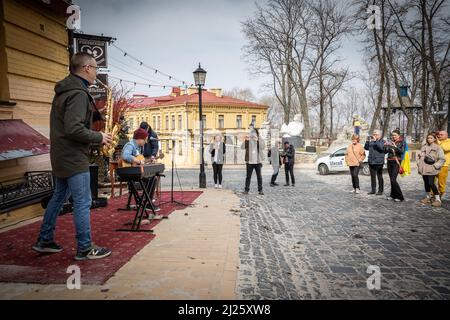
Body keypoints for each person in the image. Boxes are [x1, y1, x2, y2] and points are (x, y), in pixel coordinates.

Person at [32, 53, 113, 260]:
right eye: (95, 68)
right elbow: (74, 129)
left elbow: (68, 125)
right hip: (74, 156)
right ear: (86, 68)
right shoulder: (78, 93)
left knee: (59, 196)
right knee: (83, 201)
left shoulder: (65, 90)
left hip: (61, 154)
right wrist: (99, 136)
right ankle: (85, 248)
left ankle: (45, 240)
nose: (96, 73)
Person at [417, 133, 445, 207]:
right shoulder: (424, 147)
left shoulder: (438, 147)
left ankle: (438, 199)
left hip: (432, 168)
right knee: (426, 183)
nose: (429, 139)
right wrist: (419, 163)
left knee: (431, 183)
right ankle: (428, 197)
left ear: (435, 139)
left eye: (431, 138)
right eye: (428, 138)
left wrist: (436, 166)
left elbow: (442, 159)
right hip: (423, 168)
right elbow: (420, 156)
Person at [241, 128, 265, 195]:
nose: (253, 134)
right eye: (252, 133)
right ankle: (246, 190)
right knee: (248, 176)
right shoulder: (248, 140)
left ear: (256, 134)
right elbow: (242, 147)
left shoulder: (259, 139)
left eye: (254, 133)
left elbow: (263, 147)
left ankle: (260, 190)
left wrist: (257, 140)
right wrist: (245, 140)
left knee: (259, 176)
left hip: (258, 162)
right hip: (249, 162)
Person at [384, 129, 405, 202]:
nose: (393, 136)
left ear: (399, 135)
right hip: (389, 161)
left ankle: (400, 196)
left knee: (393, 180)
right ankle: (392, 195)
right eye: (392, 135)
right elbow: (385, 151)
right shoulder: (390, 141)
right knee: (391, 180)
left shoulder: (402, 142)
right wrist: (386, 146)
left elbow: (401, 152)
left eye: (395, 135)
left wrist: (395, 147)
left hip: (396, 161)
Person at [364, 129, 385, 195]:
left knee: (379, 176)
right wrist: (367, 141)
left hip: (379, 162)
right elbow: (366, 148)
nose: (374, 135)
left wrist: (376, 141)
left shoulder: (382, 141)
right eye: (374, 134)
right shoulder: (371, 141)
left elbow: (381, 148)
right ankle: (373, 190)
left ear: (380, 135)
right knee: (372, 177)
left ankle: (380, 191)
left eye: (376, 134)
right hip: (371, 161)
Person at [437, 131, 450, 199]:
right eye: (439, 134)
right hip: (435, 164)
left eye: (441, 134)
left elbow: (444, 149)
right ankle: (432, 195)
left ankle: (440, 194)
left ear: (446, 136)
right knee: (431, 181)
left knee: (441, 181)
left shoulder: (449, 142)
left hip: (444, 165)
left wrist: (438, 142)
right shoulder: (437, 141)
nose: (439, 135)